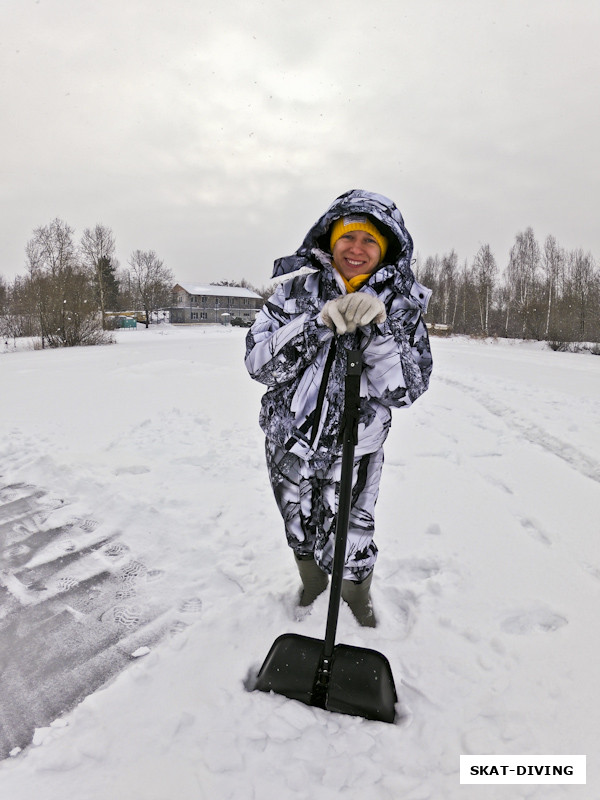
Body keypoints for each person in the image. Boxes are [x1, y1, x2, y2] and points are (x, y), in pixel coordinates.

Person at [245, 189, 432, 627]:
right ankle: (312, 586)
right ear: (331, 241)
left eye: (370, 241)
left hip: (358, 448)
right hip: (288, 443)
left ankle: (356, 600)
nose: (357, 249)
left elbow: (404, 390)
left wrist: (381, 329)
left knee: (352, 540)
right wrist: (318, 324)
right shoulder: (293, 293)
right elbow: (259, 365)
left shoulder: (402, 307)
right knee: (298, 527)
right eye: (349, 237)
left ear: (386, 250)